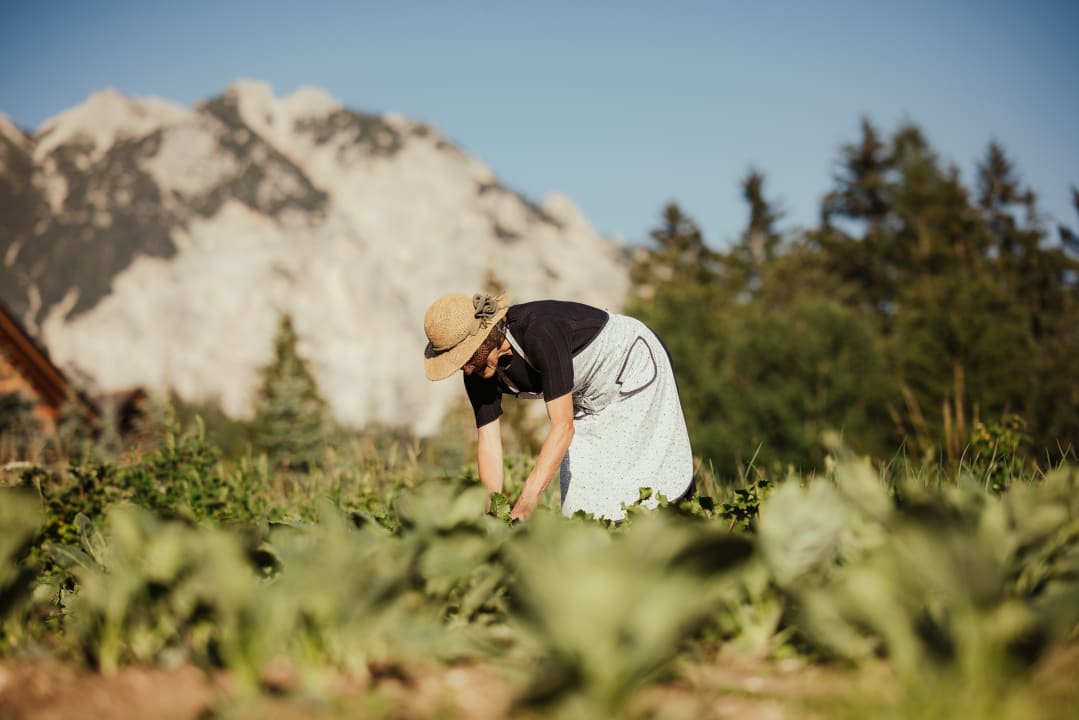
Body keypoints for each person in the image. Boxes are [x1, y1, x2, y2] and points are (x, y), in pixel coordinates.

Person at [422, 292, 694, 521]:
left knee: (652, 488)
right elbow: (489, 443)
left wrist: (527, 501)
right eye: (460, 363)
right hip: (587, 398)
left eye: (470, 357)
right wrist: (492, 515)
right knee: (584, 506)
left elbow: (562, 427)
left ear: (488, 336)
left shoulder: (540, 331)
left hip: (631, 366)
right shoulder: (477, 372)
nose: (468, 369)